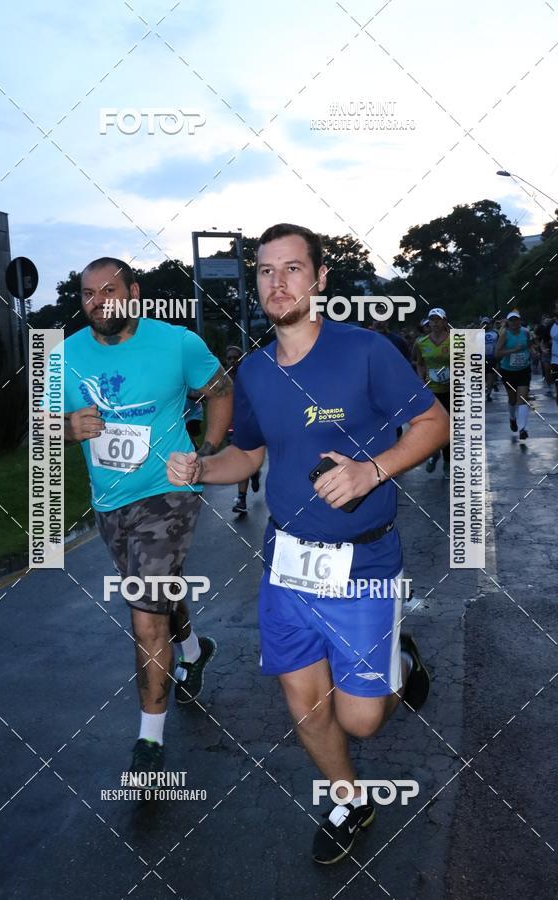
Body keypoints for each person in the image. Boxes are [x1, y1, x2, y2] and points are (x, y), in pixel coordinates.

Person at [167, 223, 449, 864]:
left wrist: (371, 469)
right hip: (287, 562)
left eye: (293, 269)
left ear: (320, 279)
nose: (278, 282)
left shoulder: (365, 352)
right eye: (266, 271)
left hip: (365, 560)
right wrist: (203, 468)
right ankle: (349, 800)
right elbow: (250, 452)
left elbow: (435, 422)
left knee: (362, 719)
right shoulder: (257, 370)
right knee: (303, 700)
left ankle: (400, 663)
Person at [60, 257, 233, 776]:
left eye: (108, 290)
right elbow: (39, 429)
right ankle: (196, 650)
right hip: (110, 502)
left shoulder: (176, 343)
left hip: (168, 492)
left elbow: (221, 391)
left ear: (133, 292)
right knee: (156, 589)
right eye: (88, 293)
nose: (98, 302)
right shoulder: (64, 356)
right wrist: (68, 427)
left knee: (143, 609)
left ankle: (149, 741)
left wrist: (205, 452)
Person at [413, 309, 451, 478]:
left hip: (452, 390)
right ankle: (435, 454)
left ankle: (448, 463)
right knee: (436, 427)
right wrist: (421, 380)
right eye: (432, 320)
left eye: (438, 320)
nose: (435, 323)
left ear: (445, 322)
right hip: (432, 391)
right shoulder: (421, 342)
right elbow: (419, 363)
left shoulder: (455, 340)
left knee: (450, 428)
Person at [225, 343, 261, 513]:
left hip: (249, 426)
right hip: (231, 428)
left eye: (236, 357)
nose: (232, 361)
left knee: (244, 462)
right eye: (229, 358)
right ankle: (251, 479)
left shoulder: (249, 377)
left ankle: (242, 497)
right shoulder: (222, 381)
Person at [495, 310, 532, 439]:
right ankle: (512, 418)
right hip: (508, 371)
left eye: (516, 320)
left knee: (522, 398)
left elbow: (529, 346)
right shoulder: (505, 335)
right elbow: (497, 353)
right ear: (508, 322)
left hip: (524, 370)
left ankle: (523, 429)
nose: (515, 322)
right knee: (512, 399)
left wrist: (533, 352)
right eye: (512, 320)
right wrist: (513, 350)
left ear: (520, 321)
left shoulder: (526, 332)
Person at [481, 317, 499, 401]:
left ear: (489, 324)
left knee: (490, 375)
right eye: (483, 323)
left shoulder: (495, 333)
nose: (485, 325)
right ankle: (485, 390)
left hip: (491, 357)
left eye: (486, 323)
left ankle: (488, 393)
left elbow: (499, 344)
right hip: (481, 358)